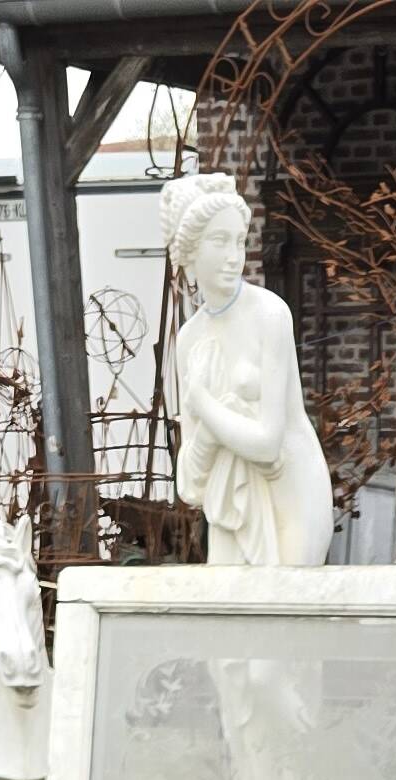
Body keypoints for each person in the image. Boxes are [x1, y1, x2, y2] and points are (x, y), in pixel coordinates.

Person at [161, 173, 331, 572]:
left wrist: (203, 403)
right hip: (228, 501)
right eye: (219, 242)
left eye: (238, 241)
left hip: (289, 492)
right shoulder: (189, 340)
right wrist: (211, 432)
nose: (233, 256)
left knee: (289, 617)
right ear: (189, 250)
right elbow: (189, 481)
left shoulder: (269, 315)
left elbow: (268, 444)